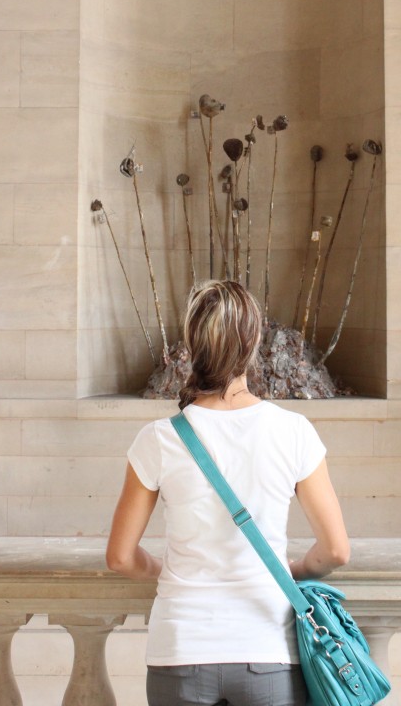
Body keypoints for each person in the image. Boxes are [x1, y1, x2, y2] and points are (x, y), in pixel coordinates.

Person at [106, 279, 350, 706]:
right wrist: (291, 568)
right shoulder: (294, 432)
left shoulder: (158, 439)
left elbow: (121, 557)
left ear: (192, 344)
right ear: (254, 340)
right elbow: (336, 551)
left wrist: (162, 570)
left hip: (180, 650)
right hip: (267, 649)